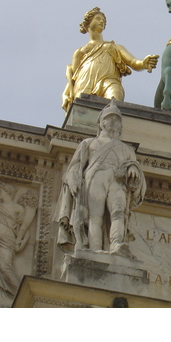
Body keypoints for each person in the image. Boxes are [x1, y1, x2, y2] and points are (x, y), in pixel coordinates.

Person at [56, 99, 146, 257]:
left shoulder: (127, 149)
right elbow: (75, 167)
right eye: (109, 118)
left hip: (118, 182)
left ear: (120, 125)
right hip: (95, 178)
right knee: (94, 217)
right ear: (101, 123)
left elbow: (134, 165)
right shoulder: (89, 143)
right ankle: (94, 249)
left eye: (116, 119)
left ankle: (117, 244)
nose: (112, 122)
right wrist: (73, 180)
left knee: (118, 212)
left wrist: (133, 169)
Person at [62, 7, 159, 111]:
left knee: (114, 106)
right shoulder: (80, 52)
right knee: (83, 113)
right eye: (98, 18)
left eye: (103, 20)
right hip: (84, 84)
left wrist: (143, 63)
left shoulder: (115, 47)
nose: (102, 21)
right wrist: (65, 94)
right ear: (88, 24)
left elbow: (132, 62)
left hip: (109, 81)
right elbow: (73, 78)